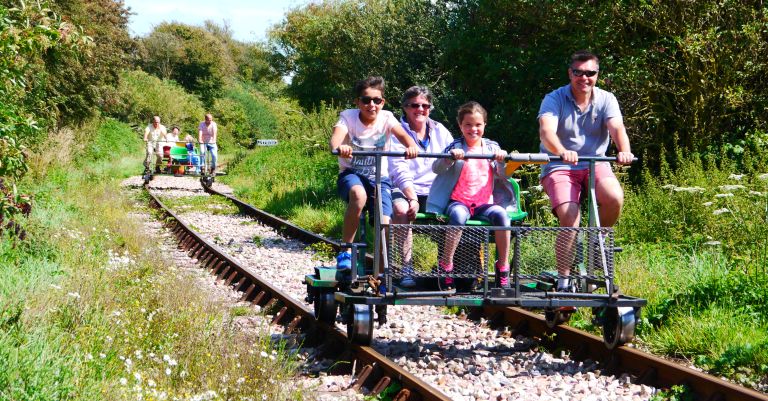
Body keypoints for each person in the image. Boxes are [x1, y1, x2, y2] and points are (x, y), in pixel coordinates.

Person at [537, 50, 633, 292]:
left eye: (590, 73)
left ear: (597, 75)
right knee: (570, 216)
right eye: (578, 72)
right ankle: (564, 282)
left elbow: (617, 127)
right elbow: (546, 131)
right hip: (560, 164)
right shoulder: (554, 98)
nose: (584, 78)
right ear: (570, 73)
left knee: (614, 198)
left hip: (594, 162)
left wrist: (624, 150)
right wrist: (561, 151)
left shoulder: (606, 99)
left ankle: (597, 240)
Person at [329, 76, 419, 270]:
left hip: (379, 178)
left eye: (376, 100)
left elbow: (403, 135)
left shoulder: (386, 118)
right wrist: (339, 147)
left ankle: (380, 272)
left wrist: (411, 146)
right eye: (366, 100)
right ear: (357, 102)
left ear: (382, 102)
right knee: (358, 195)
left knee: (385, 220)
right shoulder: (348, 116)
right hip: (352, 174)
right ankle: (346, 250)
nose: (372, 105)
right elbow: (336, 138)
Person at [426, 101, 515, 289]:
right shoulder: (455, 145)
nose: (473, 129)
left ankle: (502, 267)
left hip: (484, 203)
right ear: (460, 126)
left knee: (502, 217)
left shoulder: (491, 147)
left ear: (484, 125)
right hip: (459, 201)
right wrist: (450, 157)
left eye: (477, 125)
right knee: (458, 215)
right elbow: (436, 168)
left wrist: (501, 161)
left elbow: (504, 174)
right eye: (468, 125)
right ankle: (446, 264)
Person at [388, 86, 454, 287]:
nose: (420, 109)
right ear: (405, 107)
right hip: (405, 187)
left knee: (460, 210)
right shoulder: (396, 132)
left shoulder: (440, 130)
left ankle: (450, 267)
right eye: (415, 105)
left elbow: (454, 153)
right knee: (401, 210)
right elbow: (398, 169)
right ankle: (406, 268)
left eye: (425, 105)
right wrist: (412, 197)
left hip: (435, 189)